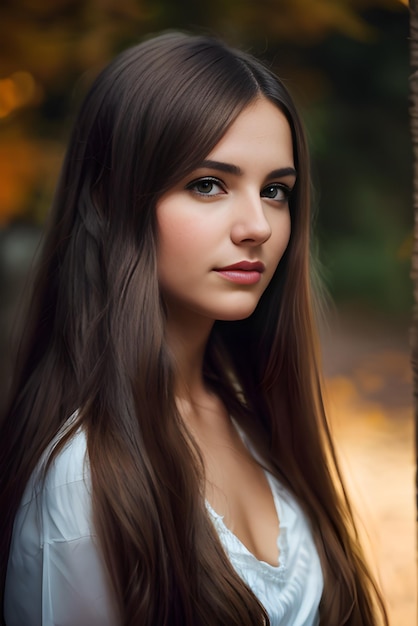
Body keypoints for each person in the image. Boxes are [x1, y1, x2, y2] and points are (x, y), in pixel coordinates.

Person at [0, 32, 388, 626]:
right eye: (209, 184)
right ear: (108, 201)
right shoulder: (84, 481)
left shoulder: (254, 420)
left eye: (276, 191)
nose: (257, 225)